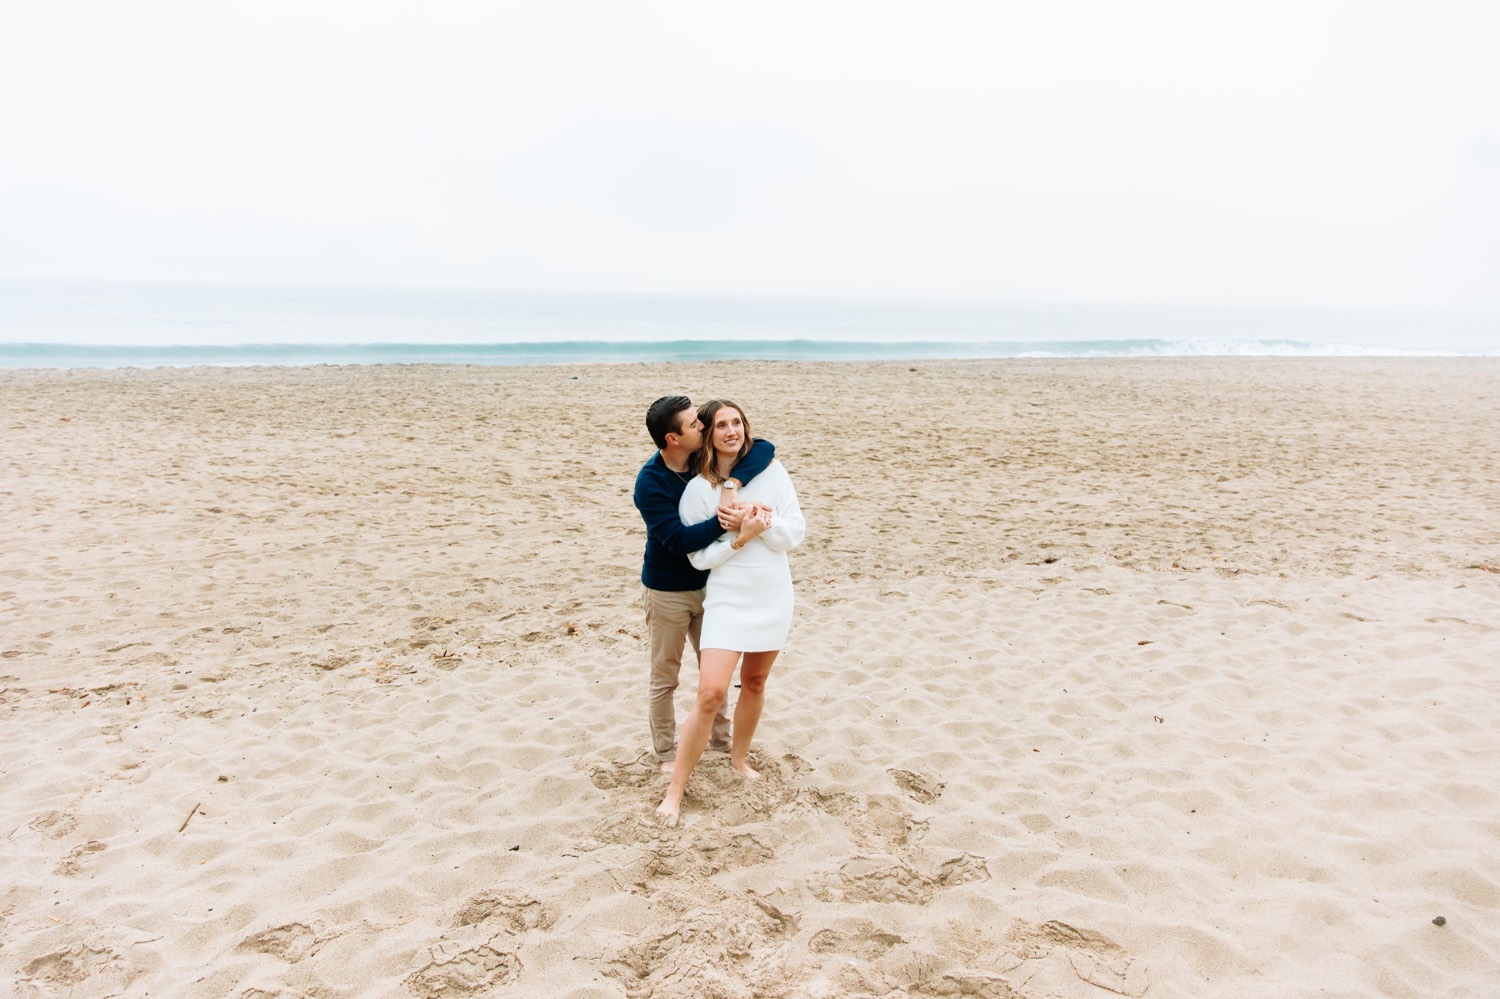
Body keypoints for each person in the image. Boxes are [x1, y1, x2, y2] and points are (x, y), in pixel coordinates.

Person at [656, 399, 805, 827]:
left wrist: (765, 526)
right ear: (708, 433)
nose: (730, 431)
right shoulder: (698, 491)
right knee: (710, 694)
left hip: (772, 591)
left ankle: (739, 759)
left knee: (755, 682)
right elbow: (700, 560)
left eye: (736, 422)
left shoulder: (773, 473)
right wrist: (740, 536)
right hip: (726, 598)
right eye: (720, 424)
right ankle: (675, 790)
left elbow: (796, 531)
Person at [633, 395, 775, 776]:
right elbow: (678, 541)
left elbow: (762, 447)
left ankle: (721, 742)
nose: (704, 427)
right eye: (695, 424)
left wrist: (733, 480)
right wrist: (728, 523)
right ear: (672, 438)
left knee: (714, 672)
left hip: (714, 584)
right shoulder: (650, 483)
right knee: (666, 675)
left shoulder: (701, 460)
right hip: (668, 591)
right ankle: (666, 752)